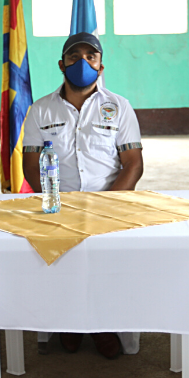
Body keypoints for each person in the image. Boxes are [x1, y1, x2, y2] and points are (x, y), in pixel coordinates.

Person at [22, 32, 144, 359]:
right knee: (60, 264)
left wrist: (106, 207)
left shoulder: (119, 107)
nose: (83, 62)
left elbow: (133, 165)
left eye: (91, 56)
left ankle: (103, 325)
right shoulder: (40, 110)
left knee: (107, 266)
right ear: (61, 64)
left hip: (109, 204)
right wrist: (53, 203)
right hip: (57, 206)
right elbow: (31, 166)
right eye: (74, 56)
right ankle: (69, 324)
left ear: (101, 66)